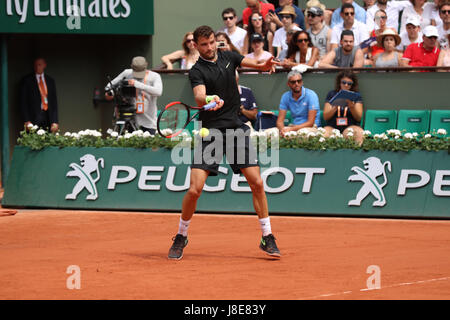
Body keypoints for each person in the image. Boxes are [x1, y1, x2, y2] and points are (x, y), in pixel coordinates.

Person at [167, 25, 281, 260]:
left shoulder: (229, 57)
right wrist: (210, 98)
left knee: (257, 182)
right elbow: (199, 95)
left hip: (236, 129)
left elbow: (253, 65)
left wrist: (264, 66)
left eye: (211, 43)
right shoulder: (196, 70)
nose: (209, 48)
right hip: (211, 134)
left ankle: (267, 236)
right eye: (204, 45)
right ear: (195, 46)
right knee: (194, 190)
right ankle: (181, 235)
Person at [105, 56, 162, 135]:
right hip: (129, 118)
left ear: (146, 65)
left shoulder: (154, 76)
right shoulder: (126, 73)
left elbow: (158, 91)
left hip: (148, 121)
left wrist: (137, 84)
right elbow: (109, 85)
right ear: (131, 66)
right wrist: (111, 93)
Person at [323, 71, 364, 145]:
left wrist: (352, 107)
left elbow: (359, 118)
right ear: (339, 82)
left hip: (350, 126)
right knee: (323, 134)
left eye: (349, 84)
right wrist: (335, 107)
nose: (346, 85)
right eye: (344, 82)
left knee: (359, 134)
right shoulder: (332, 94)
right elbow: (325, 117)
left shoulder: (356, 96)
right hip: (332, 126)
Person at [19, 57, 59, 133]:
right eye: (36, 65)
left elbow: (54, 103)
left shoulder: (50, 81)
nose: (38, 67)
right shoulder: (27, 81)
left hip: (48, 116)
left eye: (40, 65)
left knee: (48, 140)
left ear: (44, 65)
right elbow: (23, 102)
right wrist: (26, 120)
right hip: (33, 116)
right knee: (33, 140)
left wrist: (55, 121)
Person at [276, 70, 321, 136]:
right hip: (293, 126)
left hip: (312, 128)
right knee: (271, 133)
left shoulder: (311, 95)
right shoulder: (285, 96)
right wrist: (283, 130)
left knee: (301, 134)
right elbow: (279, 121)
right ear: (288, 84)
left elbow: (310, 123)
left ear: (302, 82)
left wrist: (290, 129)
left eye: (299, 81)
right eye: (293, 82)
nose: (296, 84)